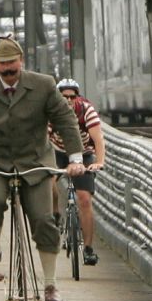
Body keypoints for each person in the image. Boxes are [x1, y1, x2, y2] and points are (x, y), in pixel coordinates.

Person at [0, 35, 85, 301]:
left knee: (44, 221)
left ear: (21, 61)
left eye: (11, 63)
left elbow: (65, 120)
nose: (7, 69)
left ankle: (50, 285)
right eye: (2, 65)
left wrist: (75, 158)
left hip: (35, 163)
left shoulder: (43, 85)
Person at [48, 78, 105, 266]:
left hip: (83, 152)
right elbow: (41, 137)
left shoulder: (86, 110)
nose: (69, 101)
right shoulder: (51, 111)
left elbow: (98, 139)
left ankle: (88, 249)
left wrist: (99, 161)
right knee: (48, 184)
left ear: (78, 97)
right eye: (64, 97)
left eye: (72, 97)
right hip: (57, 151)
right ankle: (55, 212)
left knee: (85, 199)